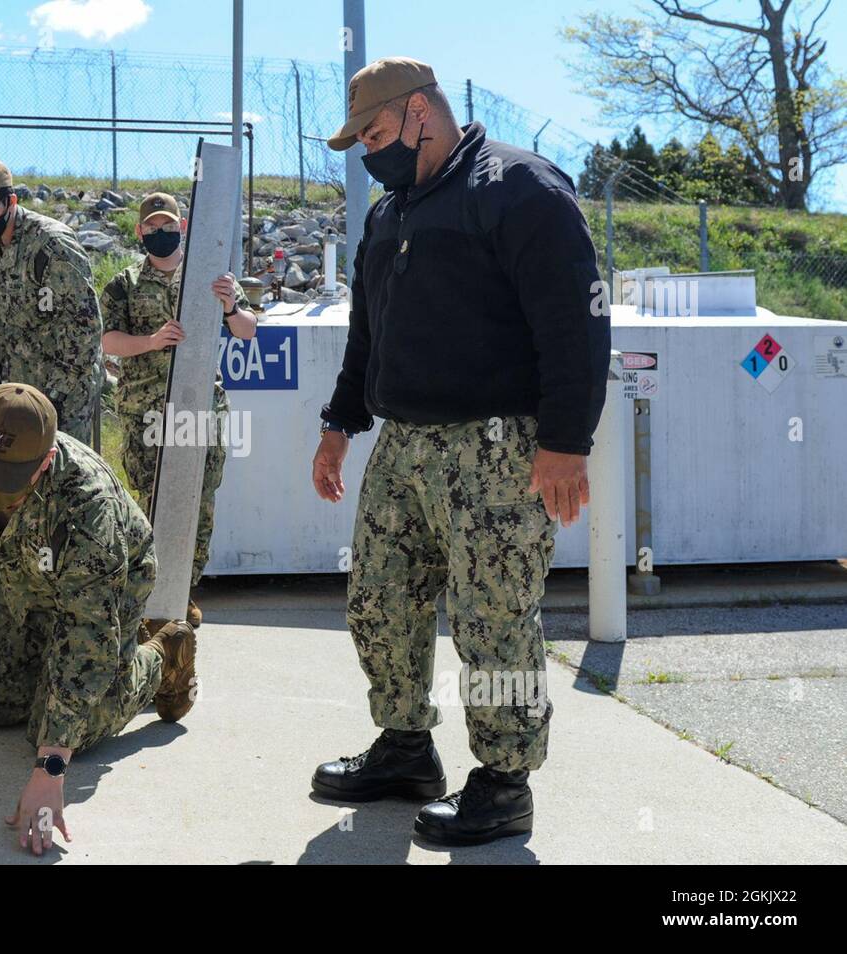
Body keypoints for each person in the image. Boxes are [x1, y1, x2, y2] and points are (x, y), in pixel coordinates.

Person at [309, 57, 610, 845]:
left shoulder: (518, 188)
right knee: (378, 601)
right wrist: (339, 426)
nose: (370, 153)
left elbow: (576, 324)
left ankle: (505, 783)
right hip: (402, 447)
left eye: (375, 133)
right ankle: (406, 749)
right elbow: (366, 336)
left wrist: (565, 443)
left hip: (499, 450)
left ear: (420, 113)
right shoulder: (390, 214)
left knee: (493, 619)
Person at [0, 383, 196, 856]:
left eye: (5, 480)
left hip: (109, 589)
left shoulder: (88, 504)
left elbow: (88, 632)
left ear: (43, 464)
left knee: (62, 733)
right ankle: (56, 673)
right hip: (24, 578)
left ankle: (161, 653)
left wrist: (51, 767)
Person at [100, 191, 258, 628]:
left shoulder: (210, 278)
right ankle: (149, 600)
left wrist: (229, 305)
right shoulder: (124, 284)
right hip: (145, 414)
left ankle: (182, 595)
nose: (161, 233)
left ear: (183, 227)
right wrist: (150, 342)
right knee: (150, 509)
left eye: (168, 225)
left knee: (198, 507)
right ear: (139, 231)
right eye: (152, 227)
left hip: (199, 413)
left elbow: (247, 331)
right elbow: (107, 341)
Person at [0, 156, 104, 444]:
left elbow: (86, 330)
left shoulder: (52, 245)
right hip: (21, 378)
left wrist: (56, 396)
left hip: (68, 388)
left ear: (10, 201)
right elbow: (3, 308)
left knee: (62, 477)